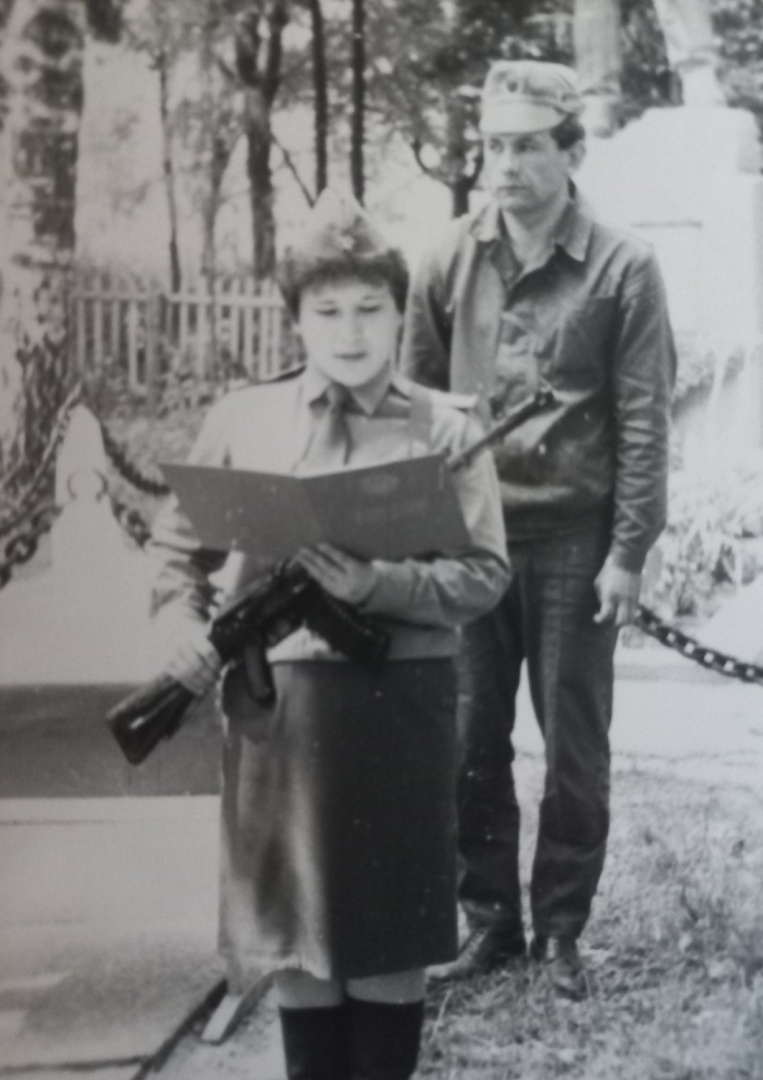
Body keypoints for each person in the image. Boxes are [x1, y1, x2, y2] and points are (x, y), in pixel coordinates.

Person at [148, 189, 511, 1080]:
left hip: (399, 713)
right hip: (279, 718)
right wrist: (180, 628)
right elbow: (175, 553)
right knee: (297, 943)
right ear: (296, 320)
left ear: (398, 313)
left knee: (388, 940)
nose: (350, 332)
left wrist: (376, 584)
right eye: (327, 311)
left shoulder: (445, 427)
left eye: (369, 308)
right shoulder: (244, 418)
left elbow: (483, 574)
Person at [401, 59, 676, 998]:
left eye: (526, 147)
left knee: (573, 752)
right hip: (468, 543)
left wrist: (627, 552)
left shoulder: (623, 266)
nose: (505, 166)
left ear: (571, 152)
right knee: (467, 741)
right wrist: (422, 538)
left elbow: (642, 419)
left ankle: (560, 931)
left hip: (572, 545)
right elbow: (413, 407)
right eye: (492, 147)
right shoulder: (445, 258)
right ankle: (490, 926)